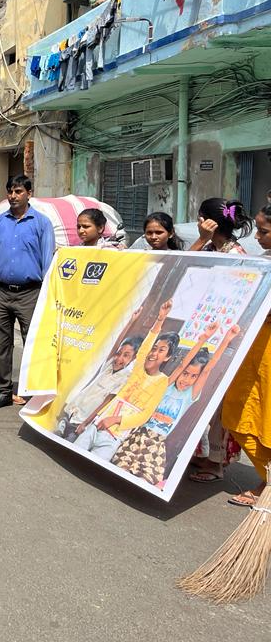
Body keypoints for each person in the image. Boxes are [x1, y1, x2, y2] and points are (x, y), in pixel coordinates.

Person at [74, 301, 211, 462]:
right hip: (95, 428)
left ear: (167, 358)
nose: (154, 353)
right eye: (154, 348)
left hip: (114, 438)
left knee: (90, 466)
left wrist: (202, 340)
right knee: (72, 455)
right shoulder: (138, 369)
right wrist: (160, 319)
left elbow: (144, 416)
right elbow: (145, 348)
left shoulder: (162, 382)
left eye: (161, 351)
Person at [113, 325, 238, 487]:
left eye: (193, 376)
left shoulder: (190, 396)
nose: (186, 379)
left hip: (157, 444)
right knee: (120, 467)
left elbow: (207, 370)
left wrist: (226, 340)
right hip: (139, 434)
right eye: (185, 374)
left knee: (146, 479)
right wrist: (202, 339)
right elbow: (181, 365)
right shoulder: (166, 385)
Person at [188, 197, 252, 482]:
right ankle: (200, 454)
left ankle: (215, 462)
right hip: (203, 333)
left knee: (217, 404)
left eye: (200, 218)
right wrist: (202, 240)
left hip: (224, 336)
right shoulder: (211, 247)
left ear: (207, 220)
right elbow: (187, 269)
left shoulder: (235, 253)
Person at [0, 175, 55, 408]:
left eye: (19, 191)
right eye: (10, 191)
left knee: (32, 342)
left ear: (29, 193)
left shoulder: (42, 223)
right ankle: (2, 390)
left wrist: (46, 294)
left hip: (30, 293)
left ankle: (33, 391)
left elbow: (47, 263)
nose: (13, 196)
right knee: (1, 344)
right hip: (0, 291)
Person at [220, 204, 271, 506]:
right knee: (239, 413)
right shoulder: (262, 263)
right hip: (253, 351)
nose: (259, 238)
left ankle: (266, 485)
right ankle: (267, 475)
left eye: (264, 232)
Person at [54, 309, 144, 440]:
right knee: (64, 419)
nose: (119, 358)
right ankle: (62, 425)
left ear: (133, 358)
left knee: (70, 438)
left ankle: (67, 431)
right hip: (76, 406)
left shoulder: (124, 378)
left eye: (126, 356)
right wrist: (130, 322)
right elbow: (116, 345)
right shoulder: (108, 365)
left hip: (85, 417)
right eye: (119, 353)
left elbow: (106, 402)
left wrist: (85, 423)